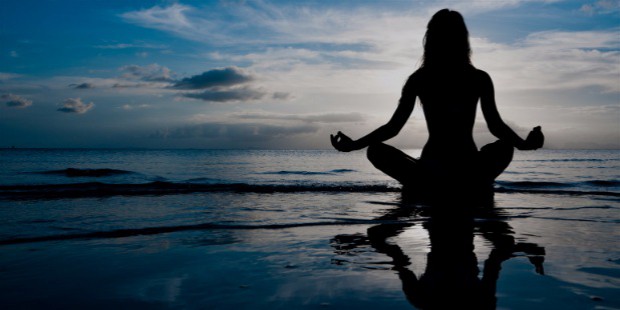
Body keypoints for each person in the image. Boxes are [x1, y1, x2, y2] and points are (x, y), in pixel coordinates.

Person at [330, 9, 543, 190]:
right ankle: (468, 184)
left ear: (430, 40)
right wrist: (524, 144)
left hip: (430, 168)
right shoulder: (477, 78)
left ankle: (427, 183)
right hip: (468, 168)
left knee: (375, 150)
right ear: (464, 40)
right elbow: (496, 126)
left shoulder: (420, 78)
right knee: (505, 146)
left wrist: (355, 144)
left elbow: (393, 128)